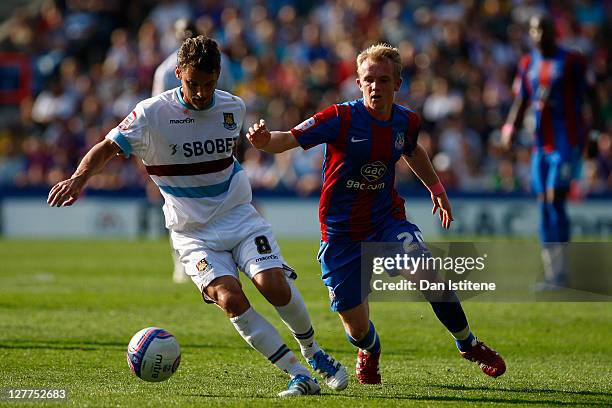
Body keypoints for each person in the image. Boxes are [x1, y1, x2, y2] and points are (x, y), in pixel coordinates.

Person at [47, 35, 347, 397]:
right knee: (229, 298)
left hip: (238, 216)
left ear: (219, 76)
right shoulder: (150, 114)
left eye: (208, 84)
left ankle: (314, 352)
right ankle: (297, 373)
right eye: (192, 84)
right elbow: (108, 147)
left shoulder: (233, 108)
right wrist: (79, 179)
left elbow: (230, 160)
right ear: (178, 75)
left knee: (272, 283)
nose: (201, 93)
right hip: (192, 233)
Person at [247, 43, 506, 384]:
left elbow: (412, 151)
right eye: (369, 79)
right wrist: (264, 141)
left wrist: (436, 189)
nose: (375, 86)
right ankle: (370, 349)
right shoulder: (339, 118)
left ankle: (468, 343)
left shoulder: (406, 121)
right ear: (358, 82)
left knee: (426, 272)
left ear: (397, 84)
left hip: (387, 221)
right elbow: (288, 139)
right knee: (355, 327)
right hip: (341, 234)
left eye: (384, 80)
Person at [501, 15, 605, 290]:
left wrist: (594, 135)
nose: (538, 34)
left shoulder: (572, 60)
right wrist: (510, 127)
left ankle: (561, 272)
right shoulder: (527, 63)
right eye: (535, 29)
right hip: (540, 145)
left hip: (566, 142)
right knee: (544, 202)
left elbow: (593, 97)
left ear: (553, 32)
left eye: (544, 29)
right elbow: (522, 99)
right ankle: (552, 273)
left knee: (554, 197)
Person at [152, 18, 235, 284]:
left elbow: (229, 100)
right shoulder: (166, 70)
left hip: (213, 137)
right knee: (178, 205)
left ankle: (225, 251)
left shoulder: (222, 64)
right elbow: (157, 111)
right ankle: (182, 258)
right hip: (178, 145)